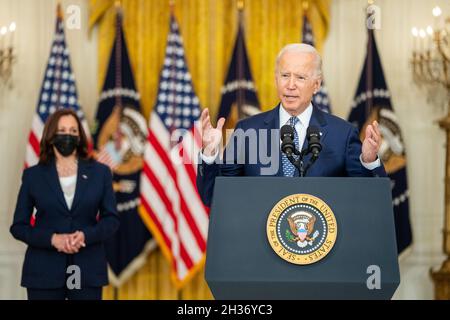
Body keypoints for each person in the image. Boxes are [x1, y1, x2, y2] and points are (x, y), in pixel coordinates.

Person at [197, 43, 386, 206]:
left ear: (317, 85)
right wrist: (209, 154)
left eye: (301, 77)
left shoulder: (342, 135)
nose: (290, 85)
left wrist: (369, 162)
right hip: (259, 243)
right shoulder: (247, 131)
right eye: (285, 75)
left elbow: (367, 199)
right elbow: (213, 196)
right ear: (276, 79)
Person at [10, 108, 120, 300]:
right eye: (62, 131)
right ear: (51, 135)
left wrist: (86, 235)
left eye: (73, 131)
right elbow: (19, 227)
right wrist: (53, 239)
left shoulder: (100, 173)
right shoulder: (33, 176)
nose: (67, 136)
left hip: (86, 270)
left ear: (80, 136)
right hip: (44, 272)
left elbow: (111, 220)